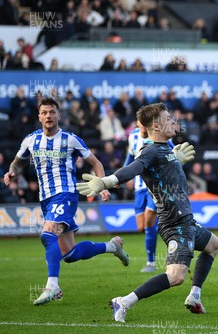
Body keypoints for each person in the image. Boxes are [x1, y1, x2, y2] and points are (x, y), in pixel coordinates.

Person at [77, 103, 218, 322]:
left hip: (187, 221)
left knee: (213, 245)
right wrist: (106, 182)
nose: (173, 121)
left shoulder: (164, 150)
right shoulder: (150, 150)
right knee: (176, 276)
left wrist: (176, 161)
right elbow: (133, 169)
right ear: (156, 124)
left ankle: (195, 296)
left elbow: (165, 170)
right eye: (168, 118)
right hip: (175, 223)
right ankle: (123, 302)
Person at [3, 97, 130, 305]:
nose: (48, 116)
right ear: (39, 116)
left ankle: (53, 286)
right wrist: (11, 172)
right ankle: (112, 246)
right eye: (44, 112)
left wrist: (102, 185)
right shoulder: (31, 140)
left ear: (59, 115)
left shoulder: (71, 139)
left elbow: (95, 162)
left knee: (47, 233)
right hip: (46, 199)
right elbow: (18, 162)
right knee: (69, 254)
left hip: (66, 194)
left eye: (52, 112)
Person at [124, 121, 176, 273]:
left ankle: (151, 263)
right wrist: (123, 175)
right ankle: (167, 222)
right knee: (143, 226)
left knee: (149, 219)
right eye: (141, 122)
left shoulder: (159, 135)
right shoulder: (133, 136)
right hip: (139, 187)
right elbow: (130, 157)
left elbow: (175, 153)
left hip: (155, 185)